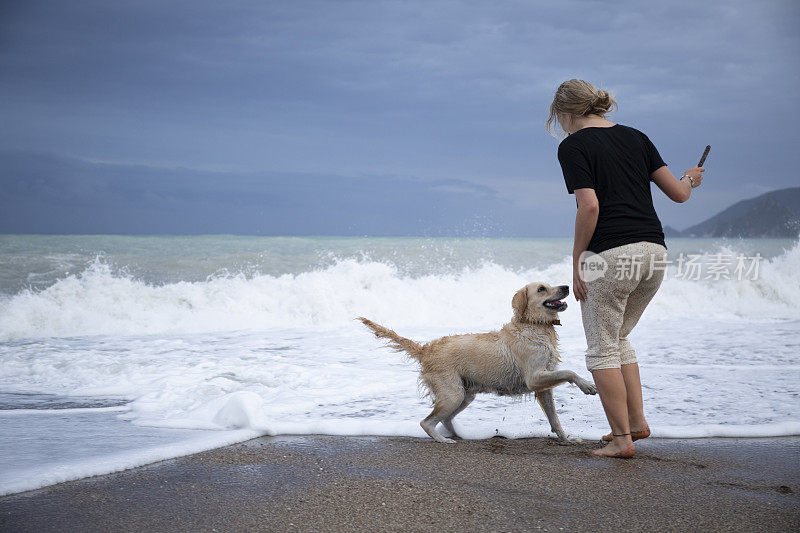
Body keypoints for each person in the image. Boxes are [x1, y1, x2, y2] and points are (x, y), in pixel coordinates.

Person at [546, 79, 705, 458]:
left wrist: (578, 262)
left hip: (611, 255)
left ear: (566, 113)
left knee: (601, 349)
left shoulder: (573, 146)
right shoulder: (637, 137)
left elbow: (589, 207)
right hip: (653, 251)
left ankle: (621, 440)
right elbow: (680, 194)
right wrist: (691, 178)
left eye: (558, 118)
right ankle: (635, 424)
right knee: (617, 340)